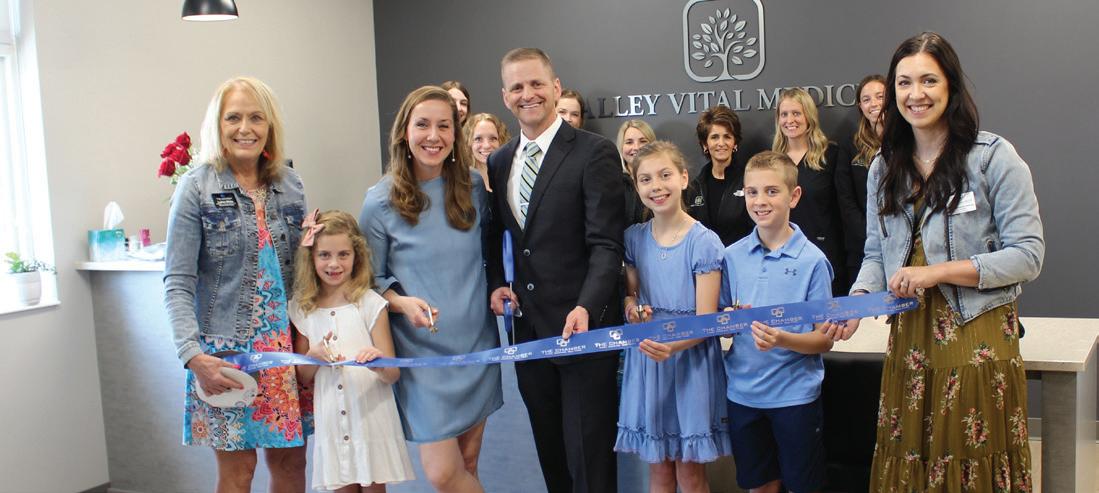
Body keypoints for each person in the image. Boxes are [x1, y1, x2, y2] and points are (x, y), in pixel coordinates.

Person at [846, 32, 1043, 491]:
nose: (916, 94)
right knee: (909, 456)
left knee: (968, 457)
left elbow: (1028, 255)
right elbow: (876, 252)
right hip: (910, 338)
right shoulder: (883, 167)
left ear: (951, 85)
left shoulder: (993, 158)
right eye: (904, 83)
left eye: (928, 80)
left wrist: (937, 272)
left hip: (975, 337)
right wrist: (859, 298)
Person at [486, 48, 625, 493]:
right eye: (517, 87)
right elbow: (497, 235)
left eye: (536, 84)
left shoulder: (594, 152)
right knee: (553, 460)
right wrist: (497, 284)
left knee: (590, 464)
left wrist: (587, 306)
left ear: (556, 87)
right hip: (529, 334)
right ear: (505, 97)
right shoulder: (499, 161)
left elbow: (606, 245)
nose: (528, 94)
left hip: (584, 331)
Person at [164, 76, 309, 492]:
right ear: (218, 125)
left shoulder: (291, 185)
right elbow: (177, 282)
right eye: (233, 118)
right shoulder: (196, 187)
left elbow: (303, 274)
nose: (245, 128)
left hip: (284, 352)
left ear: (269, 126)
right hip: (225, 358)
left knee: (291, 464)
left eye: (256, 118)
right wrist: (193, 356)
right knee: (239, 470)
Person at [359, 85, 502, 493]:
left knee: (468, 464)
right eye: (422, 125)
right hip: (421, 359)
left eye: (444, 126)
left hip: (476, 346)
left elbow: (490, 254)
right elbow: (368, 280)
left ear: (456, 133)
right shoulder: (379, 202)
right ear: (405, 132)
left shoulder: (473, 187)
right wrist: (400, 302)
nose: (433, 136)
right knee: (442, 473)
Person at [721, 151, 839, 493]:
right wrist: (727, 322)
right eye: (752, 192)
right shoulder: (731, 256)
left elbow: (824, 339)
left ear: (794, 196)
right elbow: (722, 320)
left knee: (803, 485)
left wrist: (782, 339)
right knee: (759, 485)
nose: (760, 201)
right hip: (743, 395)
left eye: (772, 191)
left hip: (794, 398)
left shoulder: (813, 261)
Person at [616, 141, 730, 493]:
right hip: (648, 362)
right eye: (646, 179)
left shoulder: (704, 242)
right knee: (659, 473)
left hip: (690, 362)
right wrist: (633, 310)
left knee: (690, 475)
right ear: (637, 187)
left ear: (683, 178)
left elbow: (706, 320)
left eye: (665, 175)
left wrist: (672, 346)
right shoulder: (633, 239)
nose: (657, 186)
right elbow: (631, 296)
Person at [290, 210, 415, 492]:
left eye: (343, 254)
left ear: (356, 256)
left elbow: (393, 372)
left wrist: (378, 364)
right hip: (332, 419)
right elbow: (303, 376)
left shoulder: (370, 303)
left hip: (370, 415)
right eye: (324, 255)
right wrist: (312, 357)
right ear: (311, 257)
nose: (334, 264)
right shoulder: (303, 308)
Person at [772, 88, 850, 295]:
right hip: (783, 259)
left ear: (809, 116)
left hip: (825, 257)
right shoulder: (773, 162)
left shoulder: (831, 155)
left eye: (796, 113)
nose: (790, 120)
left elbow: (845, 209)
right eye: (784, 114)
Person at [836, 74, 886, 289]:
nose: (873, 104)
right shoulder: (850, 146)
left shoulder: (908, 142)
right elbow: (845, 199)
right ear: (860, 106)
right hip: (862, 249)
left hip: (904, 246)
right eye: (866, 99)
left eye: (880, 97)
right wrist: (869, 235)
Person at [684, 105, 753, 246]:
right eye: (714, 137)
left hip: (740, 258)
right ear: (705, 144)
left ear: (735, 143)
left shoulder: (750, 181)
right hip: (704, 259)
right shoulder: (694, 188)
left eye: (727, 137)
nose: (721, 143)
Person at [615, 119, 655, 225]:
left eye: (643, 141)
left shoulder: (663, 180)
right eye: (629, 142)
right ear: (621, 147)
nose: (636, 147)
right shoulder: (611, 182)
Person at [464, 112, 510, 192]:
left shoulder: (512, 178)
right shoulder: (459, 182)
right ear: (468, 143)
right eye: (478, 139)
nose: (487, 145)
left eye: (493, 138)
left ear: (501, 141)